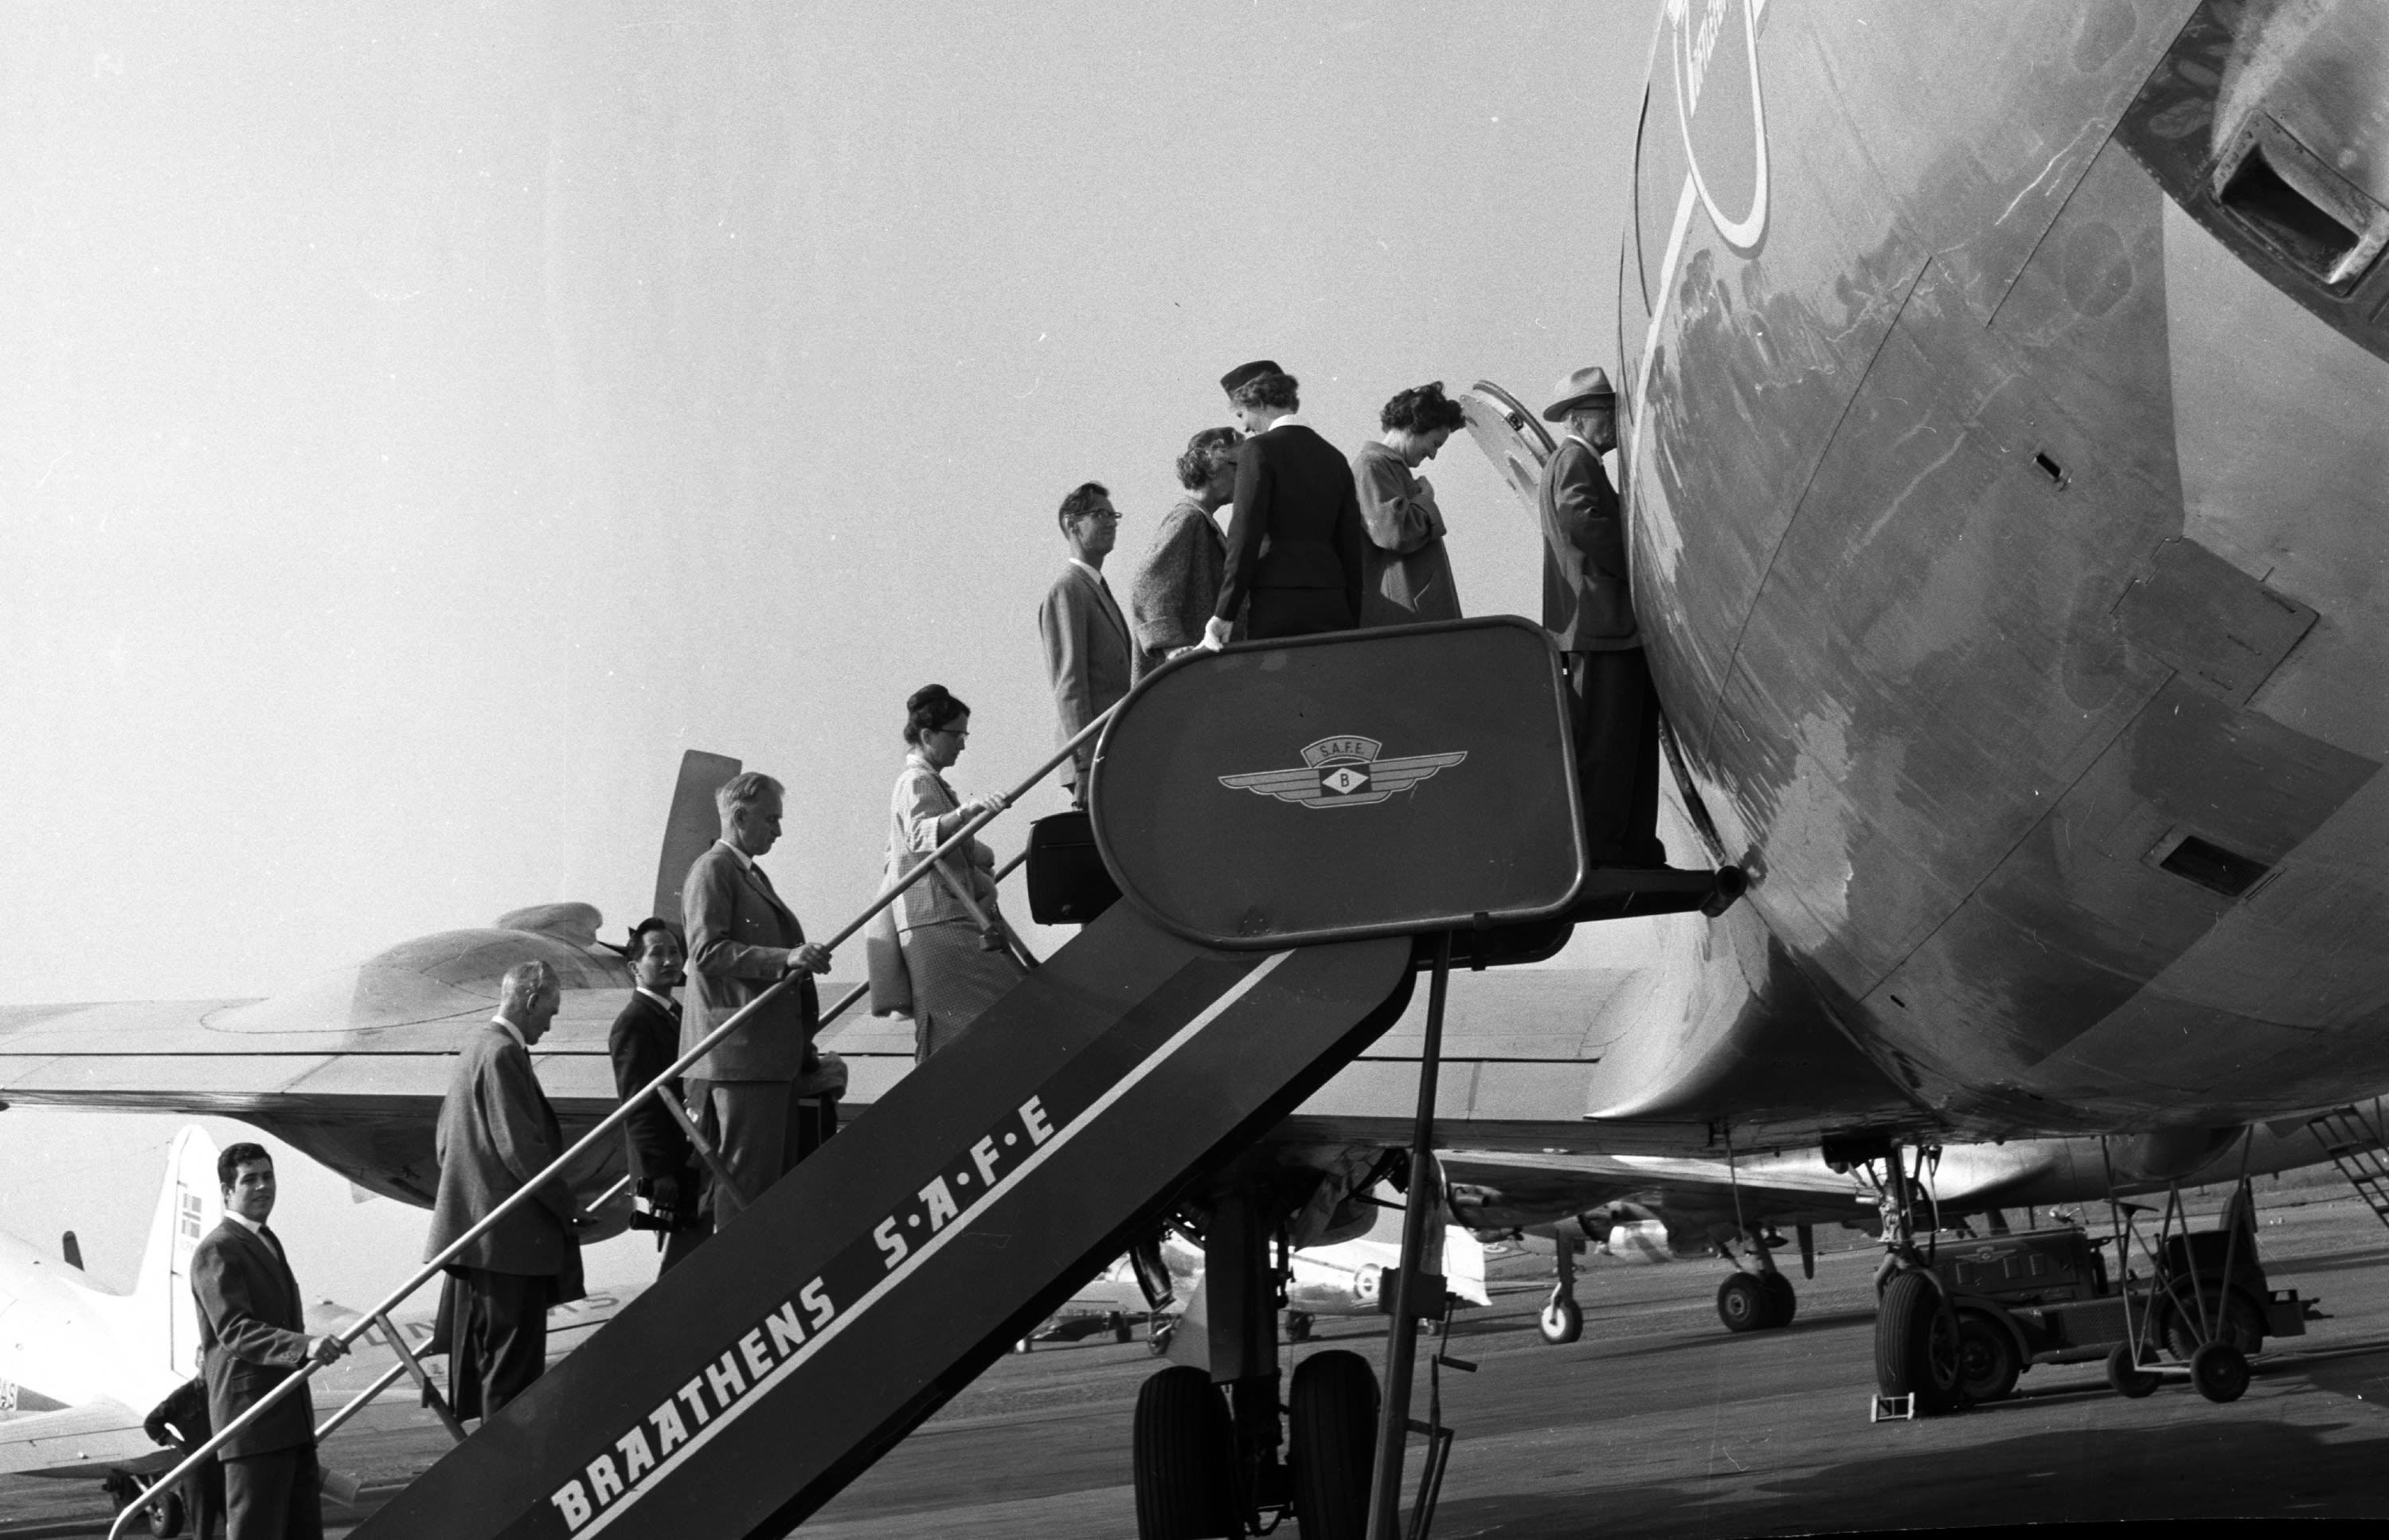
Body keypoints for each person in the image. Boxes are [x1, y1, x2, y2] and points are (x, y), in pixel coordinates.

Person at [424, 960, 588, 1421]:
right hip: (510, 1243)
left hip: (481, 1239)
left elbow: (444, 1146)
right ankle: (508, 1462)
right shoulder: (504, 1054)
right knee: (513, 1368)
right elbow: (521, 1150)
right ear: (531, 1002)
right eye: (549, 1013)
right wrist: (567, 1207)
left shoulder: (475, 1048)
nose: (549, 1027)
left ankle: (495, 1457)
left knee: (493, 1361)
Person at [681, 772, 832, 1214]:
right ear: (739, 816)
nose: (778, 831)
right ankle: (738, 1261)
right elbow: (705, 952)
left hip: (765, 1058)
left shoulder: (748, 873)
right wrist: (785, 958)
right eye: (771, 819)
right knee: (746, 1185)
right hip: (741, 1059)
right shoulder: (713, 869)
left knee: (763, 1189)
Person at [1537, 365, 1664, 867]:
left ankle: (1628, 848)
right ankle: (1607, 852)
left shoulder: (1574, 460)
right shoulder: (1574, 460)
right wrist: (1638, 562)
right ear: (1576, 418)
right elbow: (1581, 520)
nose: (1613, 420)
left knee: (1618, 742)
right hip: (1602, 626)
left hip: (1603, 628)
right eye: (1603, 411)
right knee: (1611, 745)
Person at [190, 1143, 346, 1540]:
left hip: (290, 1419)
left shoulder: (265, 1241)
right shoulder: (218, 1248)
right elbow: (235, 1330)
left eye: (268, 1176)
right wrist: (304, 1346)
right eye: (250, 1180)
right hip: (253, 1423)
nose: (263, 1186)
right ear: (227, 1191)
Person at [870, 684, 1028, 1060]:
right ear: (927, 736)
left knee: (957, 1026)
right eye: (956, 736)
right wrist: (967, 813)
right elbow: (920, 834)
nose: (962, 745)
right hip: (937, 918)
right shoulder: (915, 781)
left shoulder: (928, 781)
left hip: (942, 916)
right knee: (997, 1007)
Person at [1203, 361, 1366, 645]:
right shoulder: (1335, 458)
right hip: (1333, 604)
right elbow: (1351, 548)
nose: (1244, 426)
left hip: (1278, 605)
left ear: (1257, 401)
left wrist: (1224, 614)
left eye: (1241, 413)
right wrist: (1352, 619)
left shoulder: (1257, 450)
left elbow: (1244, 536)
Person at [608, 919, 706, 1275]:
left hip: (689, 1156)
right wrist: (660, 1171)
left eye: (675, 952)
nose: (669, 961)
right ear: (634, 967)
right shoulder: (634, 1021)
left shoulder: (675, 1012)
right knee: (682, 1260)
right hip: (668, 1167)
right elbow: (639, 1103)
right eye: (657, 953)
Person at [1037, 481, 1135, 802]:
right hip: (1095, 760)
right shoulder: (1069, 589)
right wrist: (1085, 765)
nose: (1111, 523)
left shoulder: (1095, 588)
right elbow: (1070, 686)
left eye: (1113, 516)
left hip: (1114, 750)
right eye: (1099, 514)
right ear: (1072, 524)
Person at [1128, 428, 1240, 675]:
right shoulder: (1188, 519)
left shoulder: (1202, 521)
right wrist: (1172, 648)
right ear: (1212, 466)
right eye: (1237, 467)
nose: (1243, 476)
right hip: (1184, 678)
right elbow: (1147, 583)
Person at [1354, 381, 1468, 626]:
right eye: (1435, 444)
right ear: (1415, 426)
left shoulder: (1386, 468)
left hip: (1414, 618)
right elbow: (1393, 533)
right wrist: (1425, 501)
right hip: (1404, 620)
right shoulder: (1371, 465)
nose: (1433, 455)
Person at [143, 1376, 225, 1538]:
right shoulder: (184, 1395)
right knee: (202, 1530)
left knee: (240, 1527)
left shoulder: (223, 1387)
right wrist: (176, 1443)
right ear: (198, 1363)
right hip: (198, 1471)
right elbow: (152, 1423)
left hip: (228, 1467)